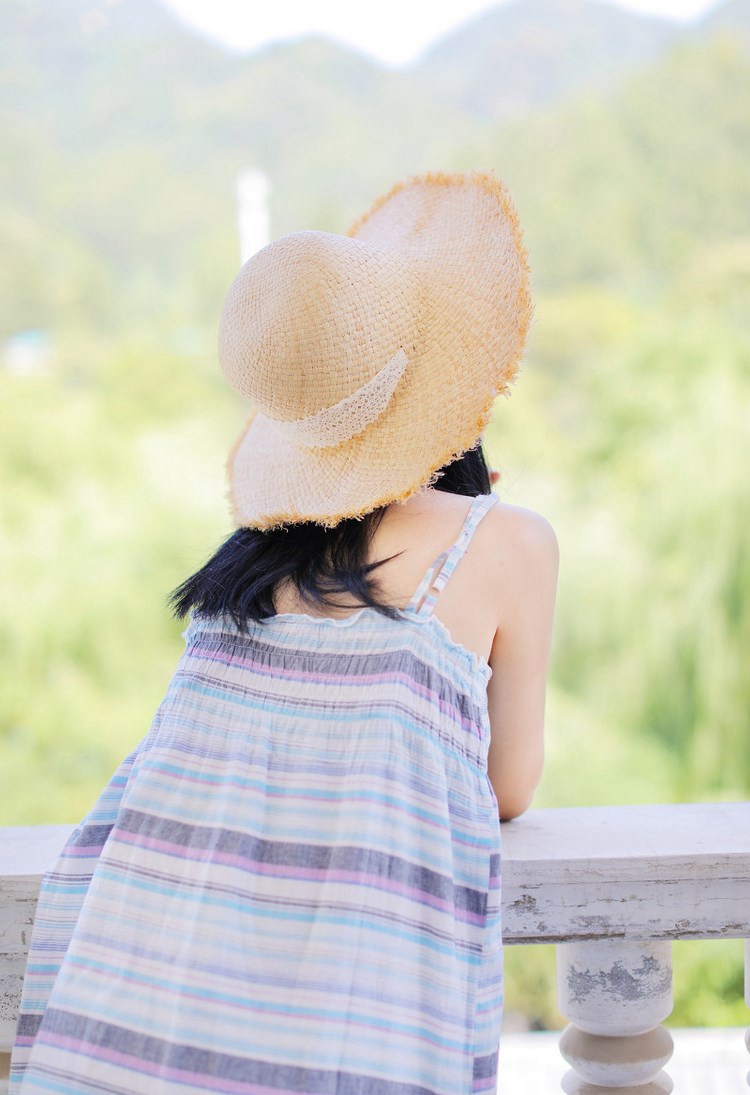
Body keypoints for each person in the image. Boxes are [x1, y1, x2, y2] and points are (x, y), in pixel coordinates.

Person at [10, 170, 559, 1095]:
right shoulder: (501, 543)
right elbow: (507, 786)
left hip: (137, 1020)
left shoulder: (249, 569)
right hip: (349, 1028)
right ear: (447, 368)